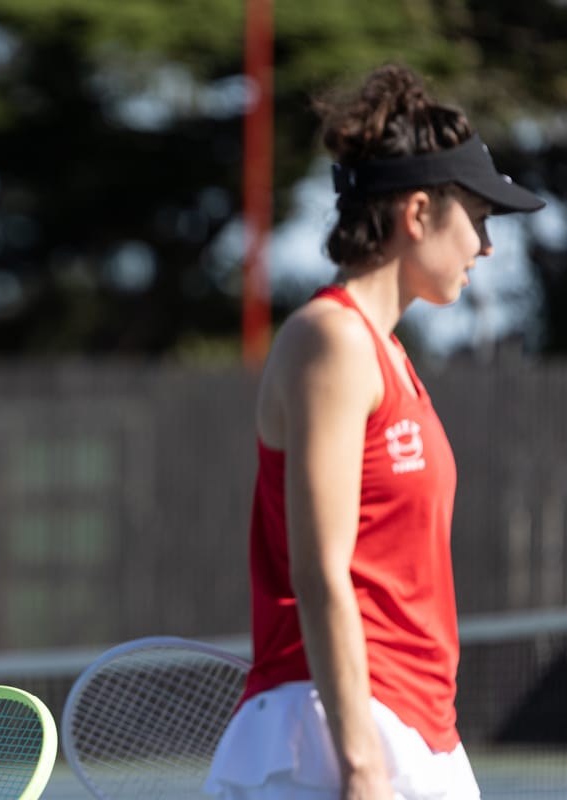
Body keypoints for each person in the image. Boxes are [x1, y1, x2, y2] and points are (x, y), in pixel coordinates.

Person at [204, 64, 545, 800]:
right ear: (418, 213)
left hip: (414, 731)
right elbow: (321, 569)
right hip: (334, 738)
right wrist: (361, 766)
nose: (487, 246)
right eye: (478, 218)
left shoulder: (386, 355)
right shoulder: (328, 338)